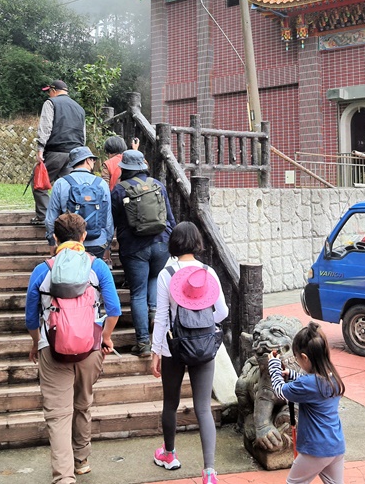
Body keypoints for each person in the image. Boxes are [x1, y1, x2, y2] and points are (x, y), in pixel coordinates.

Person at [25, 213, 121, 484]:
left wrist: (36, 342)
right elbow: (113, 309)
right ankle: (81, 460)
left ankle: (64, 477)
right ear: (83, 236)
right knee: (83, 403)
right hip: (90, 348)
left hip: (51, 348)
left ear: (55, 238)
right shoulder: (97, 266)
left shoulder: (42, 269)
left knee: (57, 415)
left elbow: (31, 318)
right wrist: (105, 337)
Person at [151, 222, 229, 484]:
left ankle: (169, 455)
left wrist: (155, 351)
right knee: (203, 408)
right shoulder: (209, 272)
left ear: (173, 243)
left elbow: (162, 316)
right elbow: (223, 312)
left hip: (175, 346)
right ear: (197, 242)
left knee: (170, 403)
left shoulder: (167, 273)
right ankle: (209, 472)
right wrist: (204, 322)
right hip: (205, 345)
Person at [111, 149, 175, 358]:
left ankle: (143, 344)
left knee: (138, 293)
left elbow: (111, 220)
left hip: (134, 248)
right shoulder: (157, 185)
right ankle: (155, 319)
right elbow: (170, 218)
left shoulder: (120, 190)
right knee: (155, 279)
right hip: (161, 244)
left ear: (125, 169)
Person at [267, 323, 347, 484]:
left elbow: (280, 390)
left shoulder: (308, 384)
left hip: (316, 449)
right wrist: (292, 374)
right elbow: (312, 385)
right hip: (335, 446)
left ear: (304, 357)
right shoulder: (332, 377)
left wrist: (274, 366)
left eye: (297, 358)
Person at [32, 80, 86, 225]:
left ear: (54, 90)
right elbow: (83, 134)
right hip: (75, 154)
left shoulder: (51, 103)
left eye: (49, 91)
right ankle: (68, 219)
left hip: (55, 151)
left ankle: (44, 217)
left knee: (39, 184)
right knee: (68, 187)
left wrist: (40, 149)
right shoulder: (79, 108)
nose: (49, 94)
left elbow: (46, 127)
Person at [44, 146, 113, 257]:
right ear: (87, 160)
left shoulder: (61, 183)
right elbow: (108, 219)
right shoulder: (101, 184)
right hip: (97, 242)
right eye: (93, 160)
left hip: (69, 243)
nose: (94, 162)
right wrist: (107, 242)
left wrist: (52, 241)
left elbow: (51, 218)